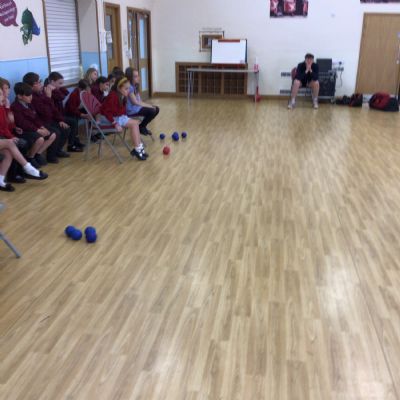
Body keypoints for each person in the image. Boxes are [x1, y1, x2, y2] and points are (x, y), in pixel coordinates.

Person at [23, 72, 70, 159]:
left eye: (40, 81)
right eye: (39, 82)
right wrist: (48, 97)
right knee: (57, 132)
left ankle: (57, 151)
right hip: (42, 121)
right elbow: (46, 113)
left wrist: (60, 120)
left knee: (66, 127)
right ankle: (50, 155)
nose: (41, 84)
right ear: (32, 86)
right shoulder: (32, 97)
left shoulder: (40, 92)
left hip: (49, 119)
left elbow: (53, 108)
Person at [100, 77, 147, 160]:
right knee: (134, 124)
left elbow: (122, 111)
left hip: (116, 117)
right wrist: (115, 124)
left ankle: (139, 148)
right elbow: (107, 112)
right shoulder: (113, 96)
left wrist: (126, 118)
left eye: (128, 88)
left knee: (135, 123)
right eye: (126, 89)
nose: (128, 91)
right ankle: (137, 149)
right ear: (119, 88)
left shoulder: (122, 96)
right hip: (107, 119)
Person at [11, 82, 58, 164]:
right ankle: (30, 157)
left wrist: (42, 127)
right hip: (24, 130)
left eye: (31, 95)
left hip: (34, 128)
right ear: (19, 96)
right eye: (28, 95)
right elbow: (23, 123)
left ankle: (38, 154)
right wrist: (38, 130)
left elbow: (36, 118)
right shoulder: (15, 107)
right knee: (40, 139)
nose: (31, 97)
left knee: (52, 135)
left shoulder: (29, 104)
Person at [47, 71, 84, 151]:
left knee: (74, 119)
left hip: (59, 114)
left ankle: (74, 142)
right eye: (60, 83)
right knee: (72, 121)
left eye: (62, 83)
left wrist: (59, 87)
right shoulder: (49, 91)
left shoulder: (56, 88)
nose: (61, 85)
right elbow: (60, 98)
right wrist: (60, 120)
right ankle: (70, 145)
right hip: (54, 117)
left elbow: (66, 93)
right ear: (52, 82)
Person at [125, 67, 160, 136]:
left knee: (156, 109)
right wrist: (150, 106)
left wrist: (150, 106)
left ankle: (142, 126)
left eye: (138, 75)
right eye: (135, 76)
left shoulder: (135, 86)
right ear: (130, 78)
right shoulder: (130, 88)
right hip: (132, 111)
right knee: (152, 111)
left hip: (137, 108)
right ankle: (141, 127)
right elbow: (135, 102)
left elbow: (140, 101)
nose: (138, 78)